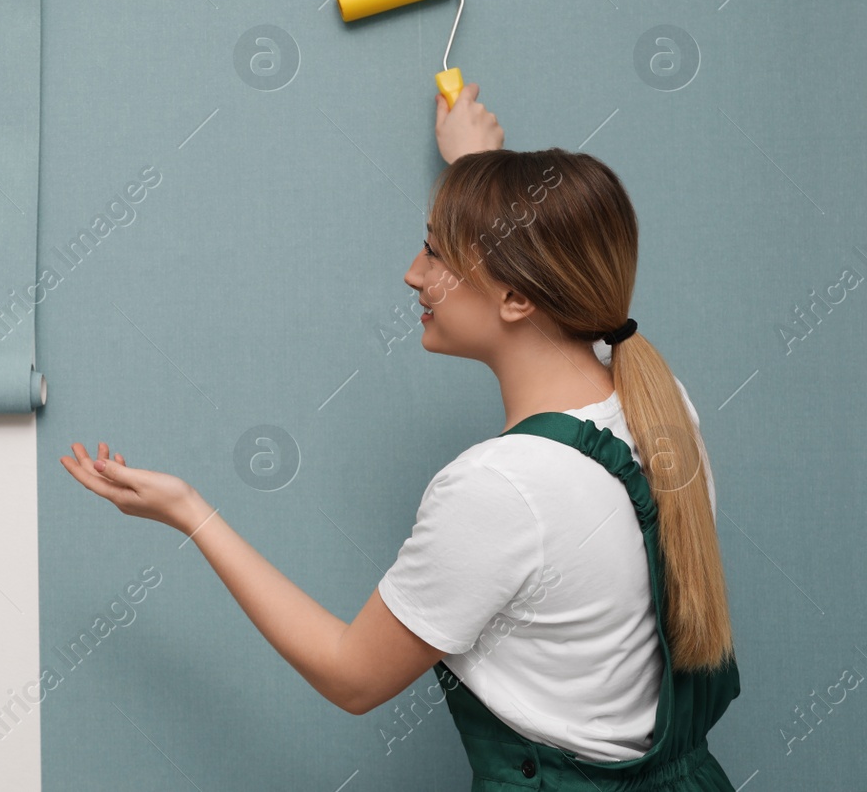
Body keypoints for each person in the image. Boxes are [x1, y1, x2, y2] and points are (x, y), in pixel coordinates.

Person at [62, 84, 740, 789]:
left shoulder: (499, 489)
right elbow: (549, 266)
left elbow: (350, 674)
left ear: (517, 296)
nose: (413, 274)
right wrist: (479, 169)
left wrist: (189, 511)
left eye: (436, 254)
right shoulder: (660, 406)